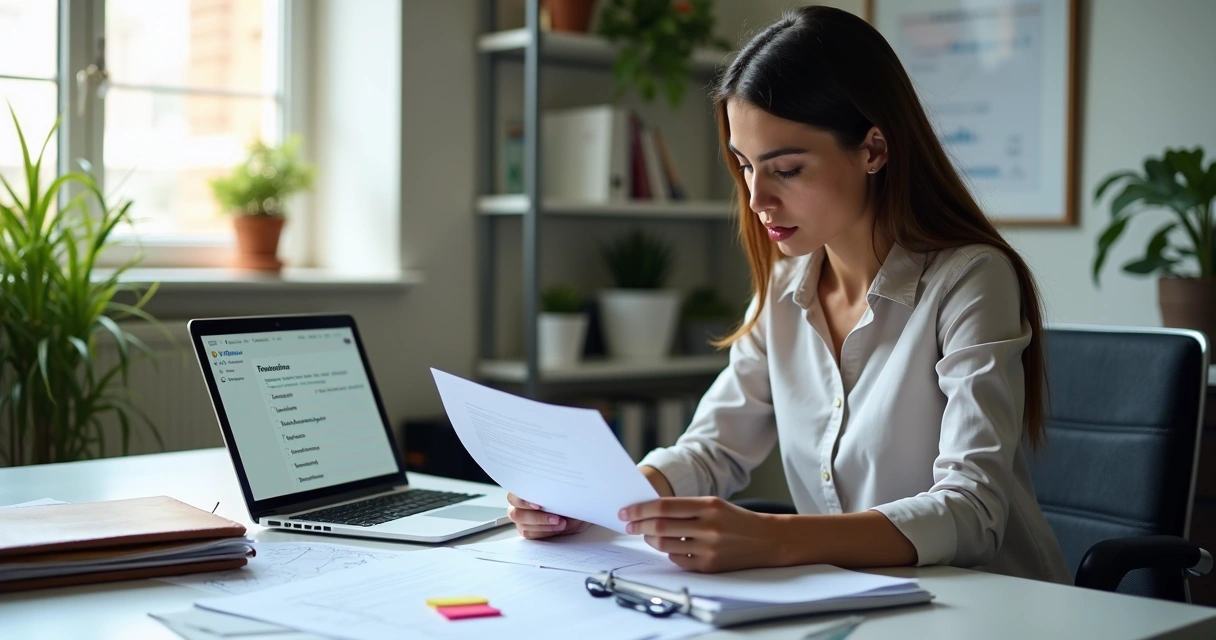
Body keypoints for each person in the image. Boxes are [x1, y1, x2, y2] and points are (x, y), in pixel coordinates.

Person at [507, 5, 1071, 584]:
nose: (757, 200)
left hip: (994, 602)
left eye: (788, 169)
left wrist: (774, 539)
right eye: (746, 166)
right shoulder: (784, 288)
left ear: (874, 150)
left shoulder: (971, 279)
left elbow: (973, 513)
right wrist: (595, 501)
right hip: (858, 597)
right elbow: (713, 450)